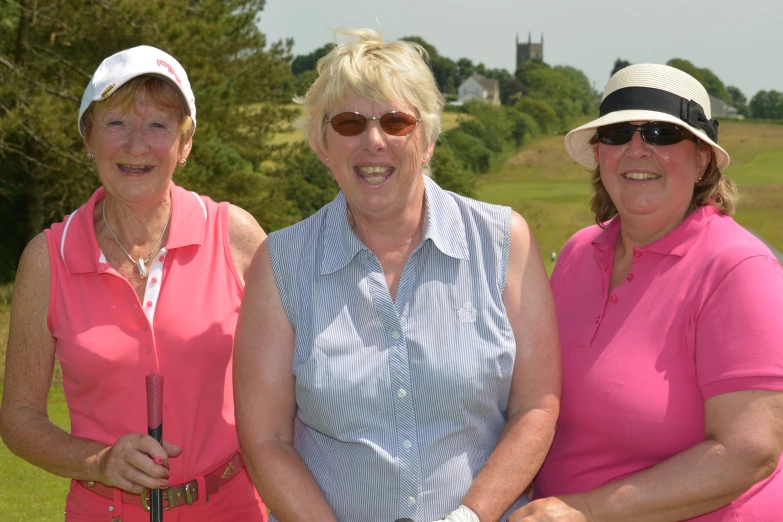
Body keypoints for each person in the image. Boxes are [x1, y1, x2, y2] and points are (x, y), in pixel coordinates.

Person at [233, 29, 561, 522]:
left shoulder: (503, 243)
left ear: (426, 140)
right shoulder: (279, 263)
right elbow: (266, 438)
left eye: (396, 121)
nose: (373, 140)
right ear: (323, 145)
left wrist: (469, 517)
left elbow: (536, 407)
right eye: (348, 123)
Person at [0, 45, 268, 521]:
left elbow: (298, 386)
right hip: (101, 511)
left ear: (185, 145)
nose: (136, 144)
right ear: (88, 138)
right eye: (116, 122)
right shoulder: (48, 258)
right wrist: (98, 461)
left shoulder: (236, 237)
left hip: (232, 507)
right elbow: (19, 418)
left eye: (159, 125)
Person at [511, 64, 783, 521]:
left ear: (702, 159)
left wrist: (587, 510)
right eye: (619, 133)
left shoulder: (738, 268)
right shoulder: (579, 251)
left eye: (660, 132)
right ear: (600, 154)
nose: (638, 149)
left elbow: (748, 451)